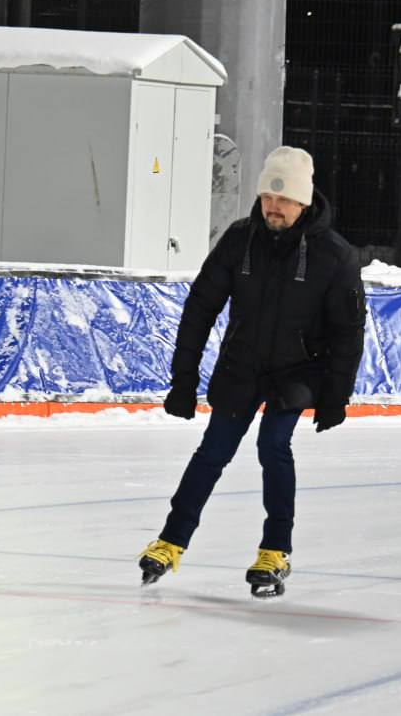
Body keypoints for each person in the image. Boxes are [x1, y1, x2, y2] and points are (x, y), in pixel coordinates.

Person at [139, 146, 366, 598]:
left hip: (299, 369)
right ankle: (170, 541)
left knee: (273, 445)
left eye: (283, 199)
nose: (273, 207)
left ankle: (275, 551)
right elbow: (200, 308)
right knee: (212, 451)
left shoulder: (334, 256)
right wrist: (182, 381)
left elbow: (348, 331)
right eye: (267, 196)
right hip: (242, 364)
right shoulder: (240, 240)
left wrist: (336, 396)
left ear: (303, 202)